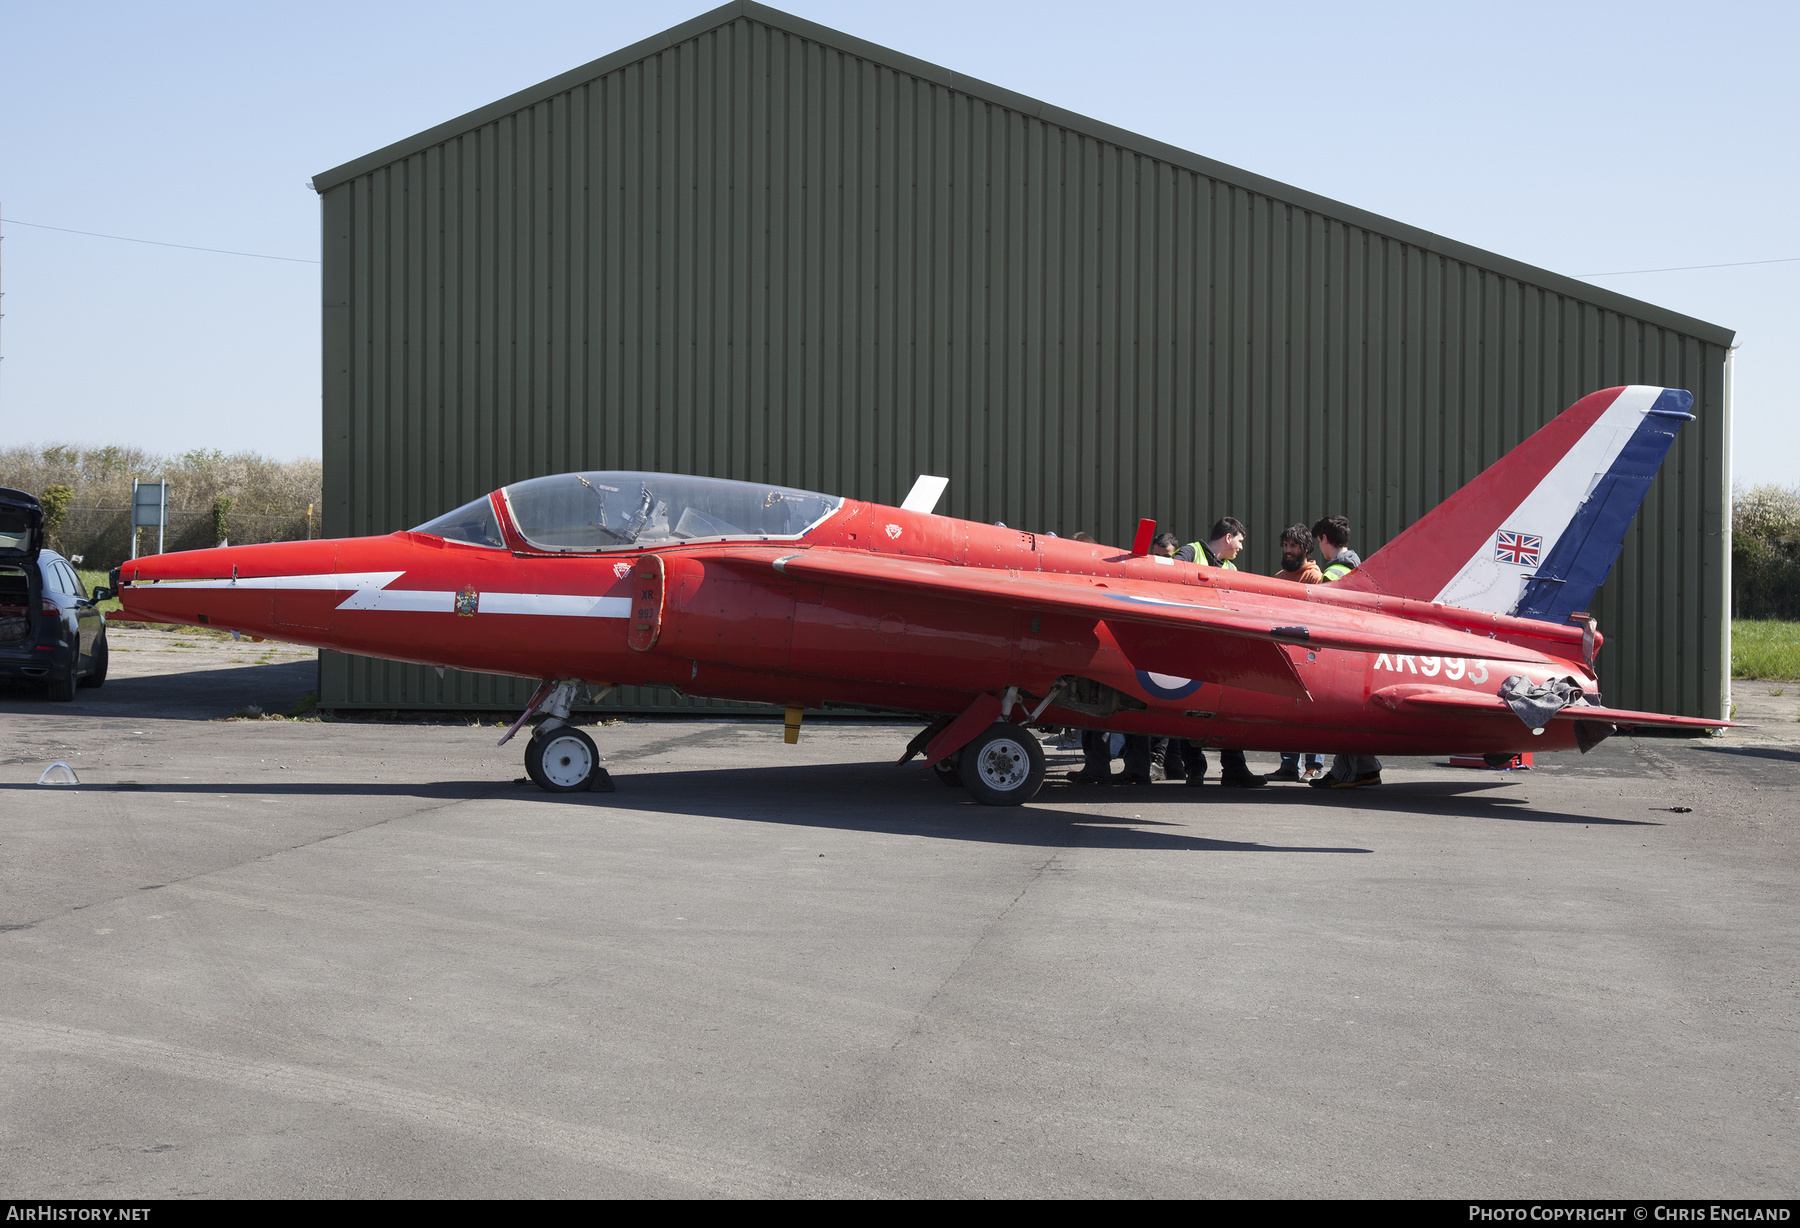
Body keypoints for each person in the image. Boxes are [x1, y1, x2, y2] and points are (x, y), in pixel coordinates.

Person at [1173, 517, 1266, 788]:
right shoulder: (1190, 553)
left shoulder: (1230, 567)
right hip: (1189, 645)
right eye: (1239, 540)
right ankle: (1195, 770)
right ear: (1228, 537)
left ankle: (1234, 768)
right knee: (1188, 709)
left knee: (1228, 707)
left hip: (1218, 649)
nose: (1240, 547)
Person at [1308, 514, 1381, 789]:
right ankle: (1367, 770)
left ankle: (1343, 773)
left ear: (1325, 539)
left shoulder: (1333, 573)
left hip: (1341, 652)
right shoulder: (1359, 566)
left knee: (1341, 714)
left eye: (1319, 542)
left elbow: (1323, 614)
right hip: (1360, 649)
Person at [1268, 524, 1325, 782]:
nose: (1288, 551)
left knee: (1312, 711)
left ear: (1306, 549)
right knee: (1286, 709)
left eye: (1294, 546)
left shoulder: (1315, 577)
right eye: (1286, 546)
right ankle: (1289, 765)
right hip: (1284, 652)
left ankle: (1314, 766)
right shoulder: (1279, 577)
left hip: (1310, 656)